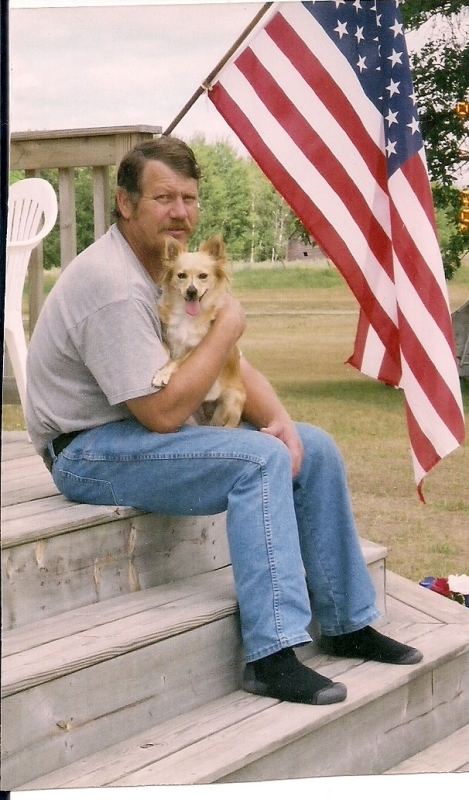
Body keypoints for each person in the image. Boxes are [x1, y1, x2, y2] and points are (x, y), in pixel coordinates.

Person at [25, 137, 422, 707]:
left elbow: (229, 367)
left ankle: (346, 622)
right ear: (125, 203)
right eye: (164, 198)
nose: (180, 212)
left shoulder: (172, 272)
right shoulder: (112, 284)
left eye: (189, 198)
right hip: (86, 449)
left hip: (137, 434)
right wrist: (228, 326)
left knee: (313, 448)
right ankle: (271, 655)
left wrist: (282, 422)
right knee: (257, 462)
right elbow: (163, 413)